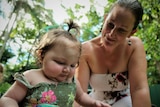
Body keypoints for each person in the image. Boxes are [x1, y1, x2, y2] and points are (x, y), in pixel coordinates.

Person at [0, 19, 111, 107]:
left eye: (73, 65)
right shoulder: (31, 77)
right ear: (42, 55)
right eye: (60, 62)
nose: (67, 69)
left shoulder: (72, 81)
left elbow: (81, 97)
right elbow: (9, 98)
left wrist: (93, 103)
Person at [73, 0, 151, 107]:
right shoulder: (85, 50)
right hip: (94, 104)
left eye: (121, 30)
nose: (111, 34)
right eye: (110, 24)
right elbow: (79, 93)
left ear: (131, 33)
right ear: (105, 19)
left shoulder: (134, 46)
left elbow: (139, 89)